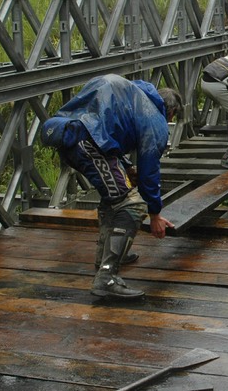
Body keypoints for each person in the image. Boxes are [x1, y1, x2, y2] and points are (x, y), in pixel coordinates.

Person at [40, 74, 183, 300]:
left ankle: (108, 256)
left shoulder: (133, 94)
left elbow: (105, 126)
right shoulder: (155, 117)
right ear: (171, 112)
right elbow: (150, 169)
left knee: (113, 197)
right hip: (88, 141)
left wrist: (125, 167)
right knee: (133, 205)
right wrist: (154, 213)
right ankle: (106, 278)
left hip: (70, 134)